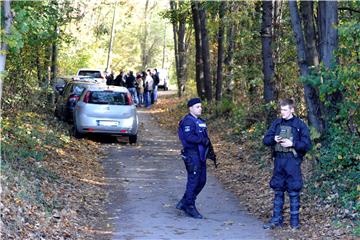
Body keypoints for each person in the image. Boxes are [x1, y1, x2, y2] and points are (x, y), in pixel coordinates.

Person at [263, 98, 312, 229]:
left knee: (294, 190)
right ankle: (276, 220)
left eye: (285, 110)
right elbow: (265, 140)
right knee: (278, 189)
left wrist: (293, 144)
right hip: (279, 160)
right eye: (281, 110)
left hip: (292, 162)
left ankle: (294, 223)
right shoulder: (277, 123)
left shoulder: (300, 125)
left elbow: (307, 145)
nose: (282, 112)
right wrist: (273, 139)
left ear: (292, 109)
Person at [176, 98, 216, 219]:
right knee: (193, 181)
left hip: (201, 155)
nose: (200, 108)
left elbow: (205, 137)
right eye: (197, 107)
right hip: (192, 154)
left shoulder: (200, 121)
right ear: (191, 108)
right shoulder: (188, 121)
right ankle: (189, 205)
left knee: (202, 180)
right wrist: (201, 140)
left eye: (200, 106)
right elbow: (188, 137)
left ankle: (185, 201)